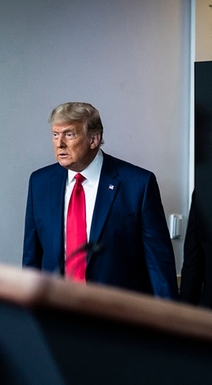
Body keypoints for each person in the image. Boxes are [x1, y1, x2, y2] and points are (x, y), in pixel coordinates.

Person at [22, 102, 178, 299]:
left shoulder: (137, 184)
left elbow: (158, 262)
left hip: (116, 314)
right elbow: (31, 255)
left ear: (94, 139)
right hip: (57, 313)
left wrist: (167, 320)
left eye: (69, 134)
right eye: (55, 135)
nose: (59, 143)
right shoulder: (40, 182)